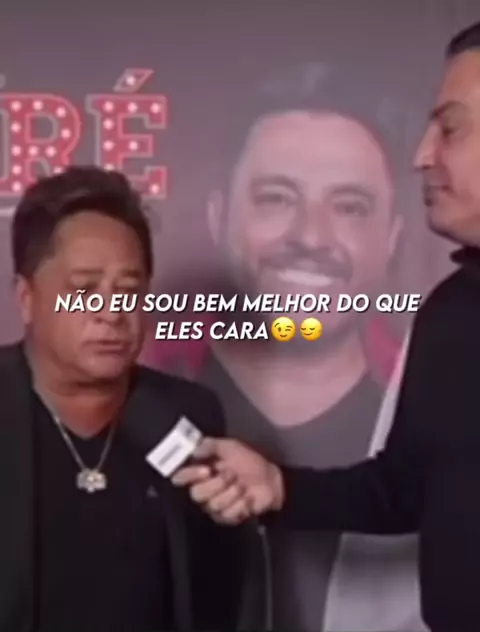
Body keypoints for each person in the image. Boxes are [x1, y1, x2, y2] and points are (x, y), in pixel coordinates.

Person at [172, 20, 480, 632]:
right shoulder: (452, 311)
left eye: (451, 128)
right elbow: (403, 490)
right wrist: (280, 487)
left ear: (388, 239)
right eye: (276, 198)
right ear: (218, 216)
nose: (423, 155)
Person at [0, 165, 249, 632]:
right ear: (27, 297)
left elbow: (220, 591)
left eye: (129, 291)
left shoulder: (189, 414)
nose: (111, 311)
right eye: (84, 290)